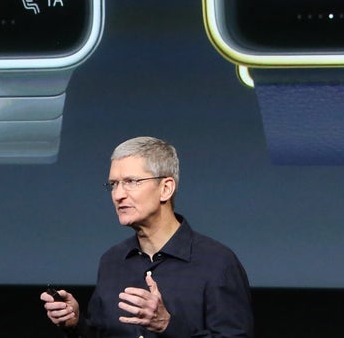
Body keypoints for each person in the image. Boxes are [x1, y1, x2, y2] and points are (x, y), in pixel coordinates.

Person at [41, 136, 254, 337]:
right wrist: (76, 324)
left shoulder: (217, 263)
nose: (118, 195)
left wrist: (168, 325)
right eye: (113, 184)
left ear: (166, 188)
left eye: (131, 181)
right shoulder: (112, 261)